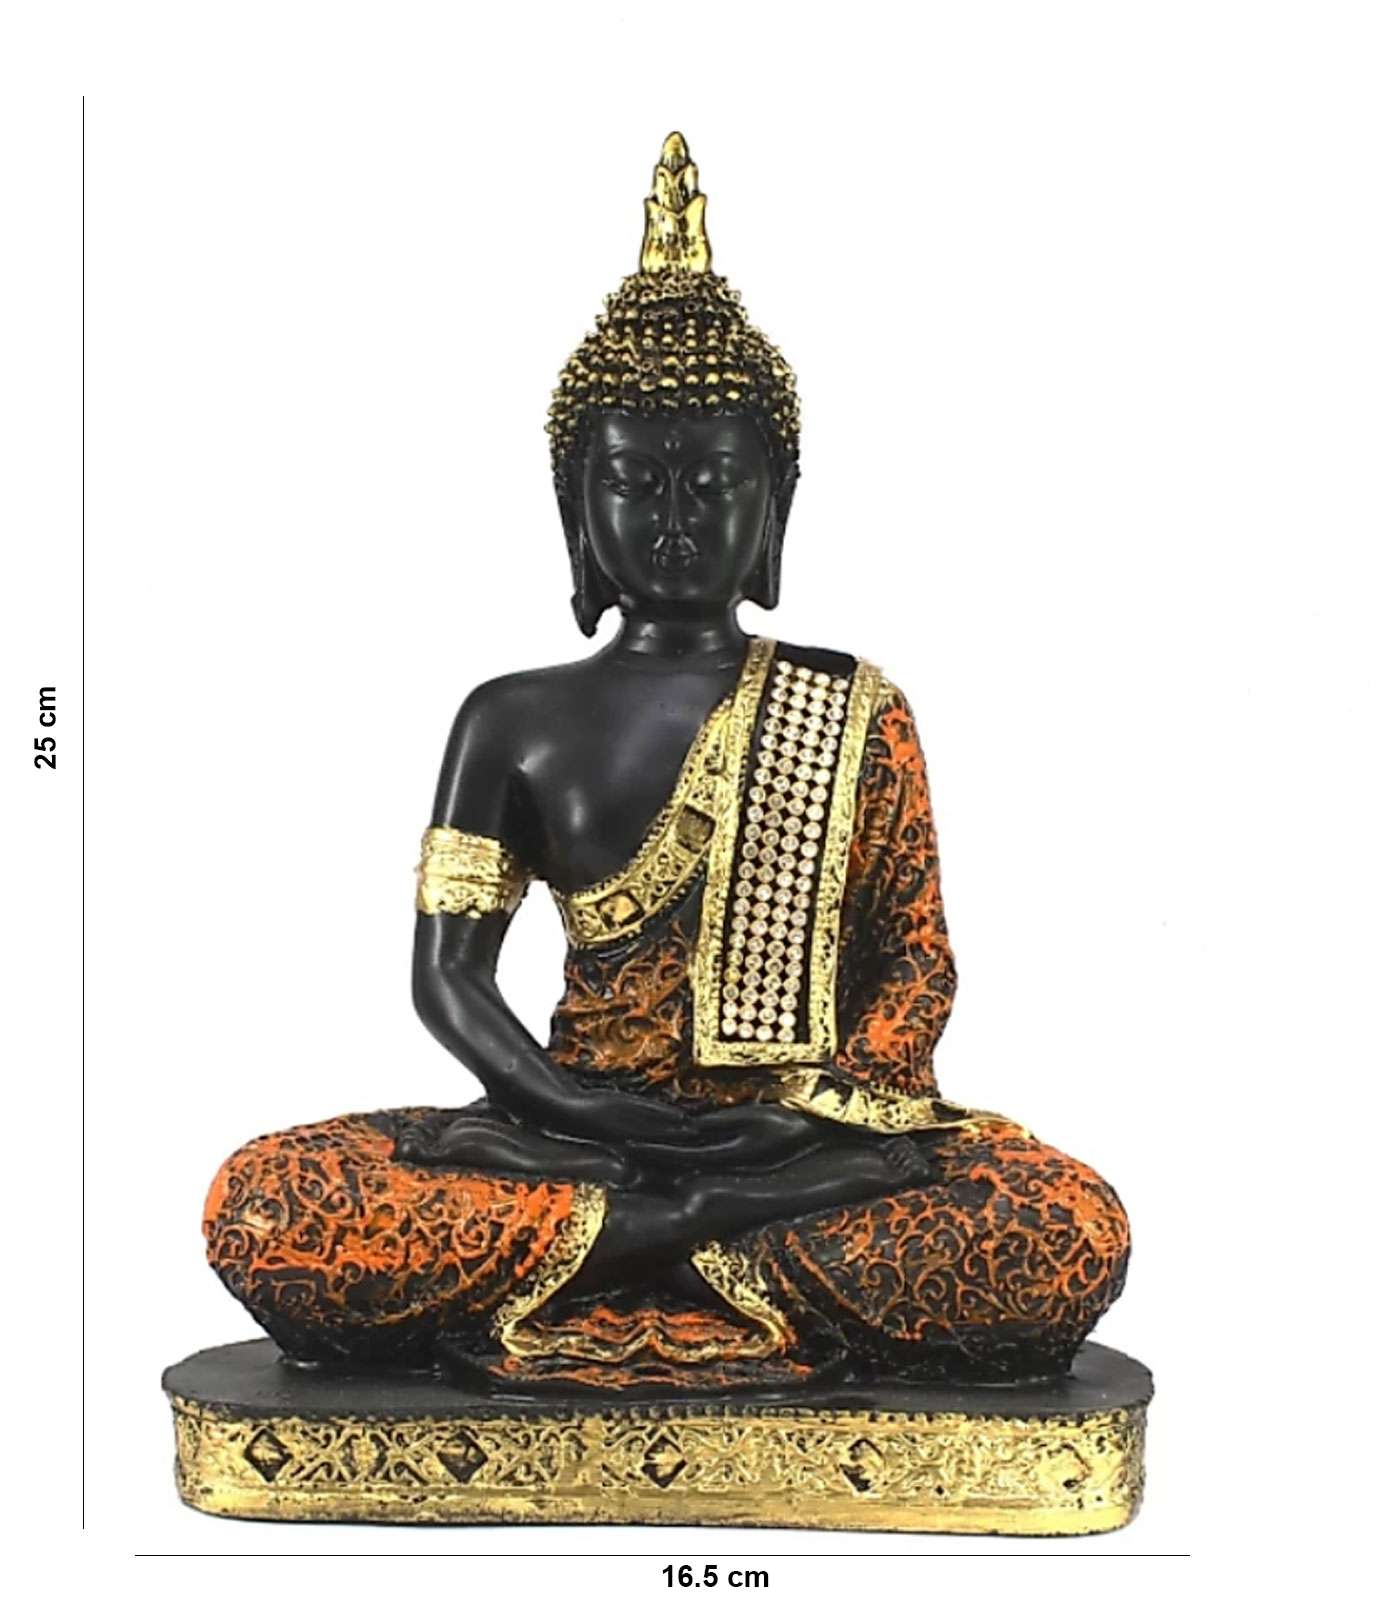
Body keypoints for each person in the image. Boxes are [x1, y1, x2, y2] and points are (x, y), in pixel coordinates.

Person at [204, 134, 1129, 1393]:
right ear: (575, 509)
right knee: (271, 1204)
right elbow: (448, 978)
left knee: (1064, 1225)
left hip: (800, 1139)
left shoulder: (851, 708)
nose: (676, 517)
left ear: (774, 504)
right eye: (634, 482)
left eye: (714, 480)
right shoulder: (509, 716)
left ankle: (626, 1240)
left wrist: (803, 1119)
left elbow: (914, 961)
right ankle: (692, 1228)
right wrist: (579, 1112)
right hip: (569, 1131)